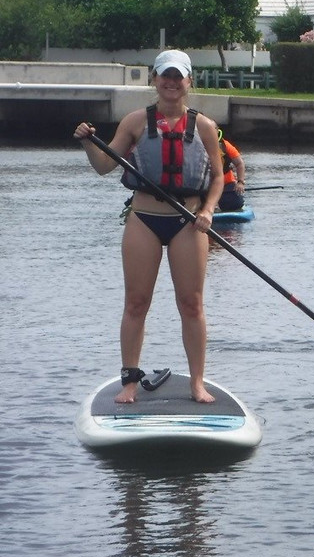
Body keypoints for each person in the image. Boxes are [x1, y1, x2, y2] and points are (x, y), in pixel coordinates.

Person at [74, 49, 224, 404]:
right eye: (165, 76)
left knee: (192, 304)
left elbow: (218, 178)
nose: (171, 82)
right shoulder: (135, 122)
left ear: (189, 81)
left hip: (188, 223)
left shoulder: (204, 126)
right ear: (155, 80)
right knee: (136, 302)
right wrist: (86, 143)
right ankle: (130, 381)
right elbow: (103, 166)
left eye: (178, 76)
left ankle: (197, 383)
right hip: (144, 219)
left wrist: (209, 211)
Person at [216, 131, 247, 211]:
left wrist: (240, 182)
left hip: (226, 183)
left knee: (236, 204)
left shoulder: (225, 145)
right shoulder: (198, 145)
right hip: (205, 185)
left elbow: (239, 163)